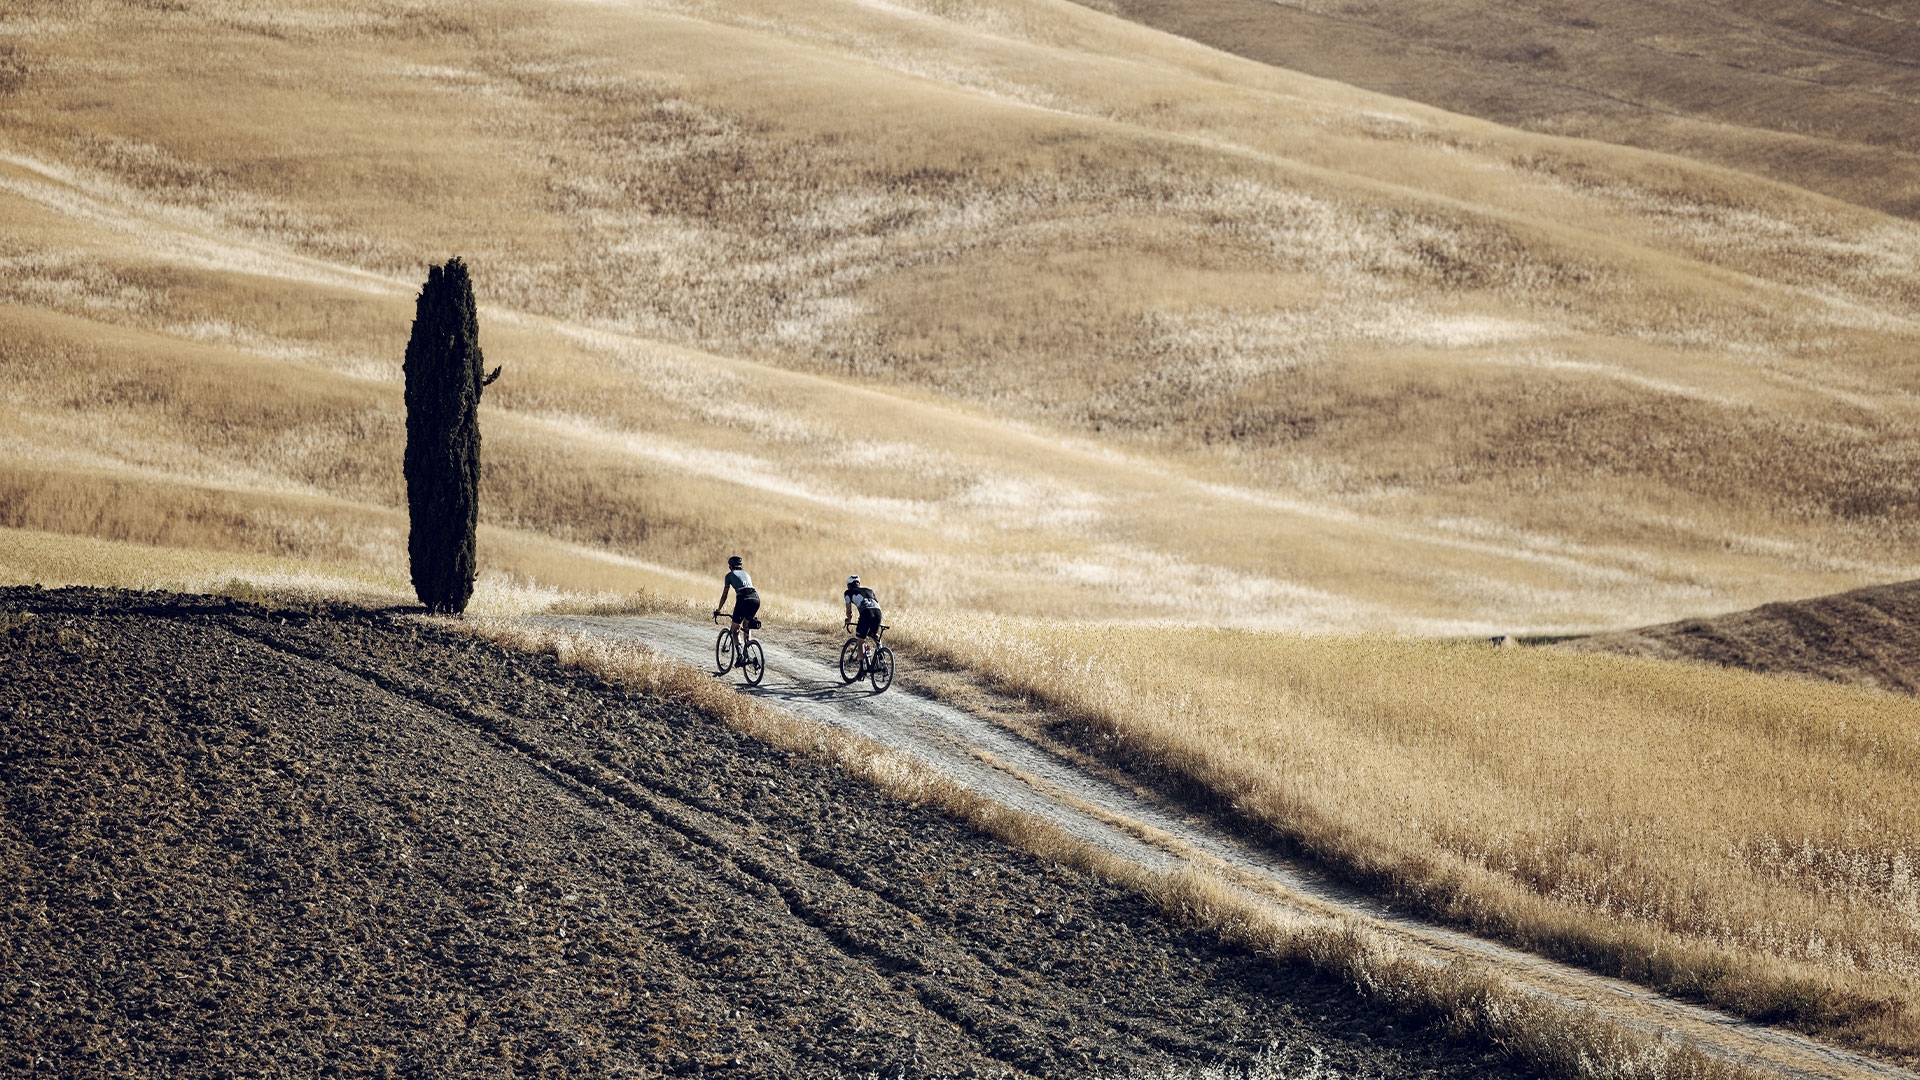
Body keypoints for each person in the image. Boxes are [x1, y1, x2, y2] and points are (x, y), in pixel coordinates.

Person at [715, 555, 760, 658]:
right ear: (741, 566)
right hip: (755, 599)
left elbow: (724, 595)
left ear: (730, 566)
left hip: (743, 599)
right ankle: (747, 649)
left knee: (735, 630)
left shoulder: (729, 575)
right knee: (746, 626)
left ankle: (740, 656)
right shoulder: (747, 574)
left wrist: (718, 609)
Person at [842, 574, 882, 669]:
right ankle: (881, 655)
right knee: (873, 634)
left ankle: (862, 669)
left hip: (866, 613)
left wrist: (848, 620)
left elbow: (849, 611)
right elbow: (875, 604)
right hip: (878, 613)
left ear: (849, 585)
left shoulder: (848, 592)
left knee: (860, 641)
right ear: (858, 584)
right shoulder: (870, 591)